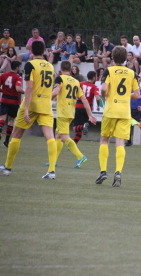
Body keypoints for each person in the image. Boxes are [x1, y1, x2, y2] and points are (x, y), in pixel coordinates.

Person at [0, 41, 57, 178]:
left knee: (17, 135)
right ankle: (52, 171)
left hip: (32, 103)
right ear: (43, 51)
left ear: (31, 51)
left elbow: (29, 88)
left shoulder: (30, 65)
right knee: (50, 137)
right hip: (45, 104)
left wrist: (26, 109)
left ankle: (7, 168)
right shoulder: (50, 66)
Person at [95, 46, 141, 187]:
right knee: (120, 143)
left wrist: (105, 96)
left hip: (111, 111)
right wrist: (127, 96)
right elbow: (138, 95)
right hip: (124, 112)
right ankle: (118, 172)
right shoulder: (132, 73)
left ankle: (103, 171)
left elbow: (103, 88)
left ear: (113, 58)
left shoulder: (109, 71)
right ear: (126, 58)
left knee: (104, 140)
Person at [51, 61, 97, 168]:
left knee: (64, 137)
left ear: (61, 69)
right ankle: (54, 161)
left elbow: (56, 92)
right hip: (71, 112)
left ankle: (80, 156)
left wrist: (44, 99)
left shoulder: (60, 78)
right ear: (71, 69)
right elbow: (84, 99)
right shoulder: (76, 82)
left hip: (62, 112)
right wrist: (90, 115)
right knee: (58, 135)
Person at [0, 61, 24, 147]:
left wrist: (4, 91)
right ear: (17, 67)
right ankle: (6, 141)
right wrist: (25, 92)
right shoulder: (18, 77)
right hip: (14, 101)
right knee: (11, 120)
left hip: (4, 99)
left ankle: (0, 128)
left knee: (2, 118)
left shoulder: (3, 75)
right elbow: (18, 89)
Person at [74, 71, 101, 144]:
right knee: (79, 131)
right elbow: (98, 98)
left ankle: (82, 127)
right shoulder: (94, 87)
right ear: (93, 78)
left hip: (79, 106)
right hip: (87, 108)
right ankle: (73, 146)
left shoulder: (81, 84)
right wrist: (98, 106)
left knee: (75, 128)